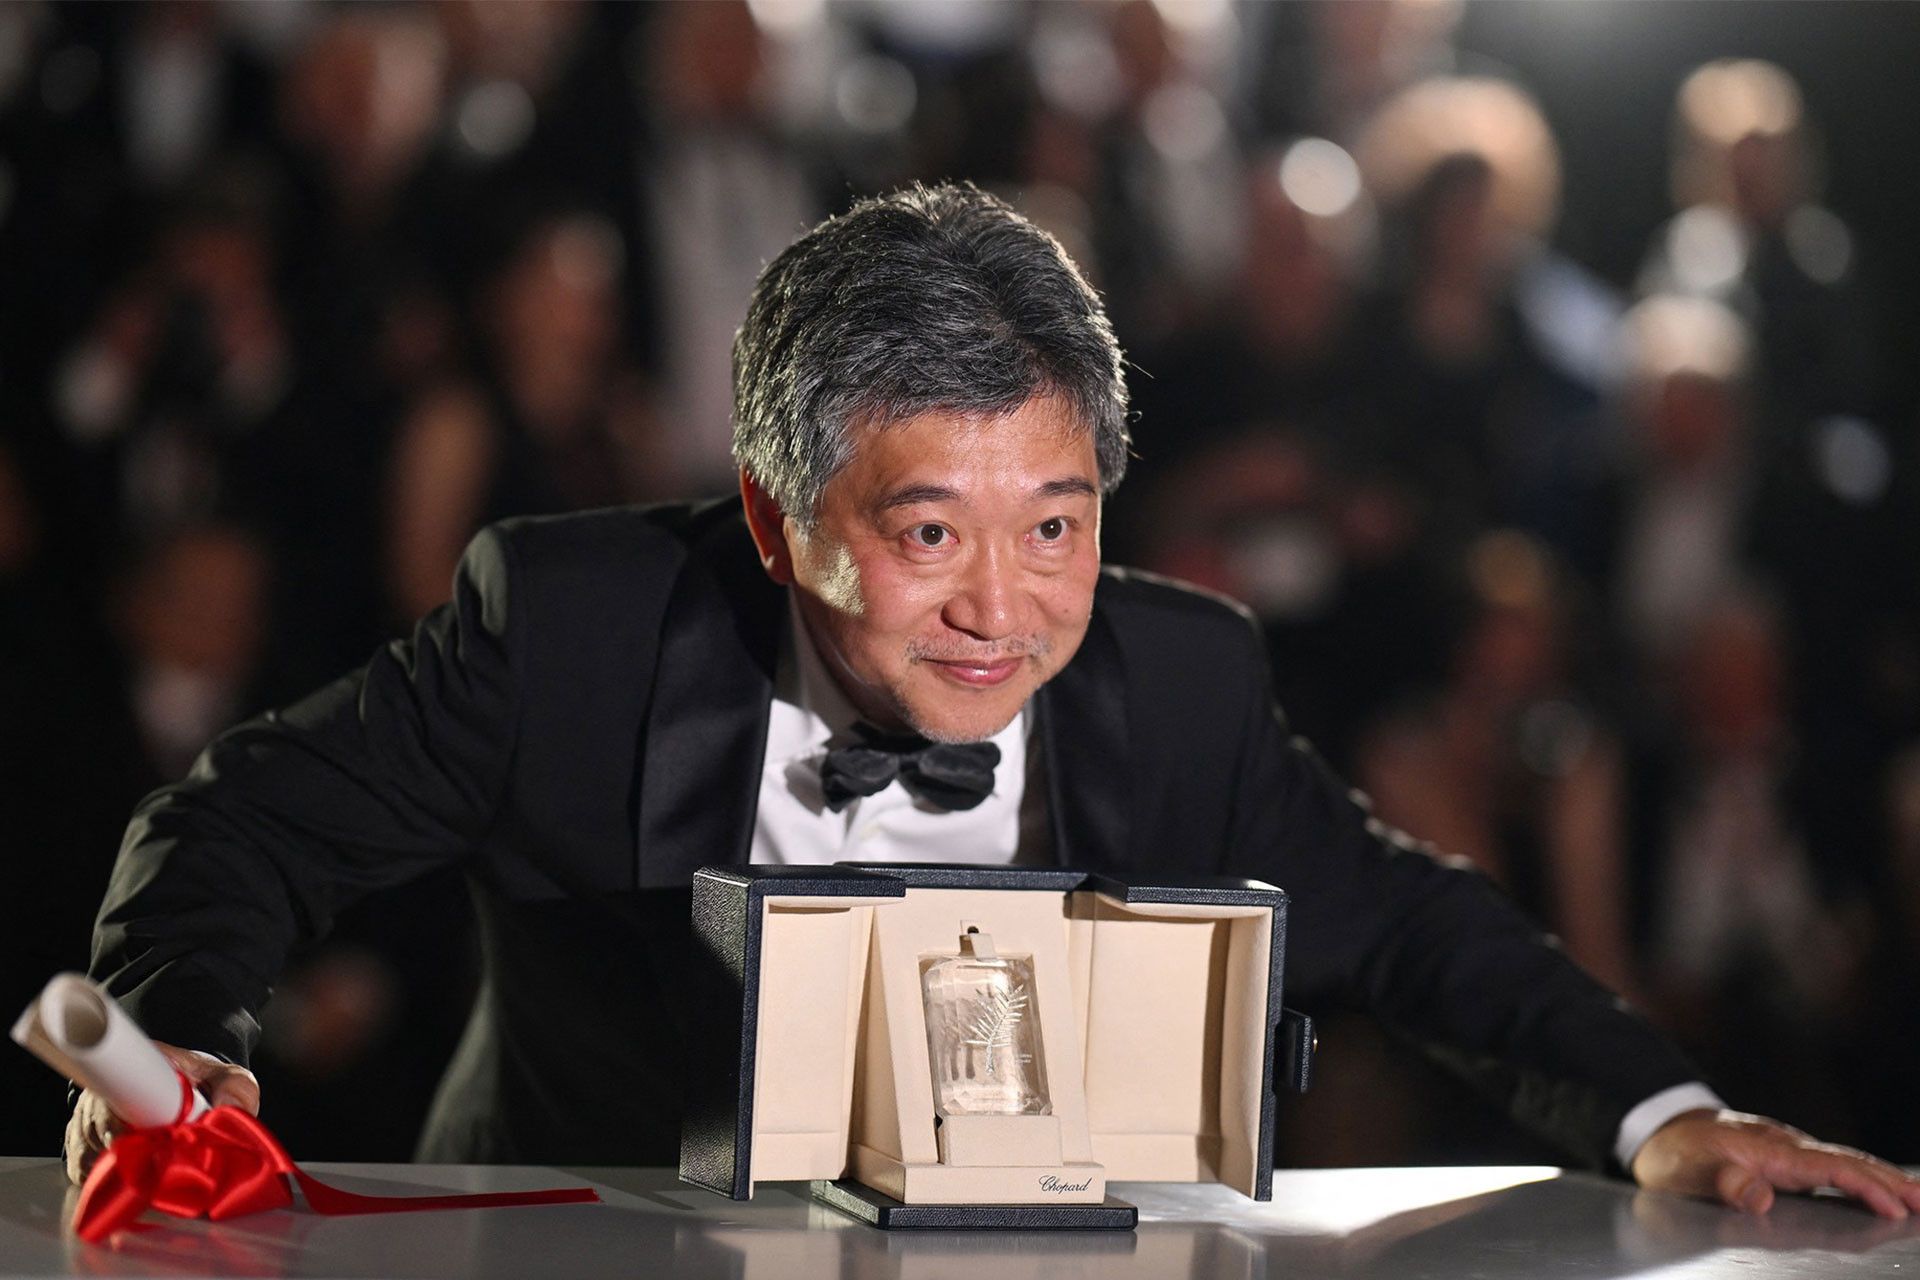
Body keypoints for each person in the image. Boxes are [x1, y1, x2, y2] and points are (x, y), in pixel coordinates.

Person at [69, 183, 1920, 1220]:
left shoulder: (1179, 675)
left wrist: (1668, 1111)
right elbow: (242, 823)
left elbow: (1411, 923)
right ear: (777, 522)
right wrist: (175, 1047)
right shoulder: (575, 631)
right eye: (931, 531)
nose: (1004, 609)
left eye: (1057, 523)